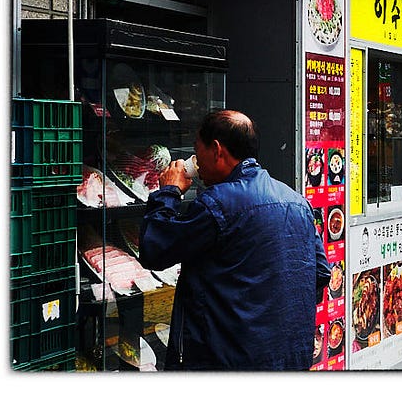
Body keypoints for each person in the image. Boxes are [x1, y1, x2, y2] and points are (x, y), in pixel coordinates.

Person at [138, 110, 329, 370]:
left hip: (228, 363)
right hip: (289, 359)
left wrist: (169, 192)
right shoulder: (296, 202)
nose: (196, 160)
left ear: (216, 150)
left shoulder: (217, 204)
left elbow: (154, 249)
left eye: (197, 150)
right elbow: (320, 272)